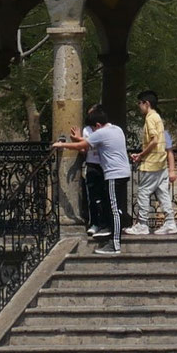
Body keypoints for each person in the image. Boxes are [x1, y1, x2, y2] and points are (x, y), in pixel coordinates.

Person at [58, 106, 131, 254]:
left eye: (93, 128)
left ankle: (115, 244)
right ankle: (112, 235)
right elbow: (91, 142)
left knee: (114, 209)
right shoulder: (116, 129)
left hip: (113, 174)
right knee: (116, 208)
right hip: (124, 172)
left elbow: (80, 145)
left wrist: (62, 144)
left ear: (97, 125)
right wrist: (80, 138)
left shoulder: (102, 132)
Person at [129, 90, 176, 237]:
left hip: (151, 163)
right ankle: (170, 222)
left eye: (139, 103)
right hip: (160, 162)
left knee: (143, 192)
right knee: (163, 193)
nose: (138, 106)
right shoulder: (158, 118)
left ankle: (142, 224)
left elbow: (154, 140)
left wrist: (141, 154)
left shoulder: (150, 118)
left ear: (146, 103)